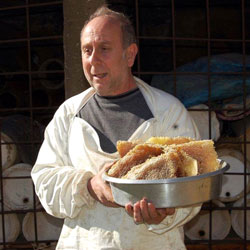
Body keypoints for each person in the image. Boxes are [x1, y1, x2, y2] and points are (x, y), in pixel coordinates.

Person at [31, 5, 201, 250]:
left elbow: (192, 187)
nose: (93, 60)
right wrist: (89, 187)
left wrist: (165, 212)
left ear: (130, 54)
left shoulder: (168, 113)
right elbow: (44, 181)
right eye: (87, 50)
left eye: (104, 49)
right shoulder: (69, 114)